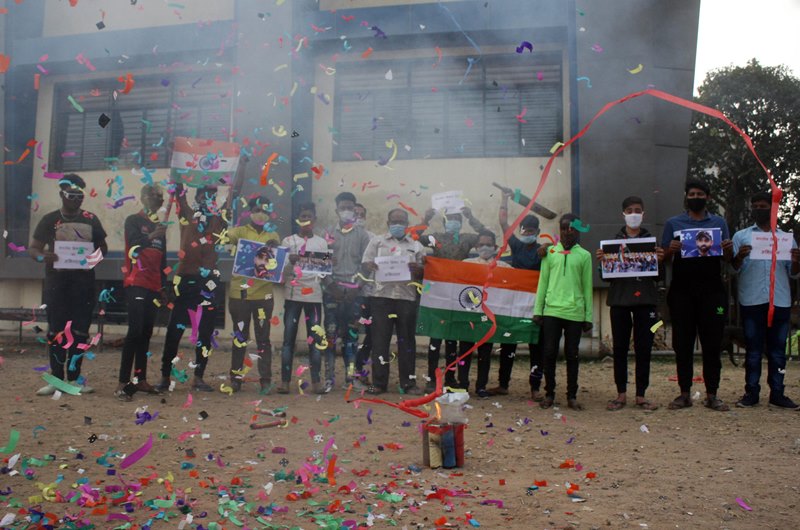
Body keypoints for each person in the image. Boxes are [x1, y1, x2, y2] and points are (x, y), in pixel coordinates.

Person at [30, 174, 108, 396]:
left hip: (83, 284)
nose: (76, 199)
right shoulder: (49, 220)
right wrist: (43, 257)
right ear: (62, 194)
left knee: (80, 332)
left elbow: (103, 248)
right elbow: (33, 248)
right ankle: (56, 379)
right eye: (71, 195)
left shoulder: (91, 219)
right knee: (56, 332)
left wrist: (89, 261)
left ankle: (74, 379)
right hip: (57, 284)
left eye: (79, 195)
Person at [157, 173, 234, 393]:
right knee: (175, 330)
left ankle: (198, 377)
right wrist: (177, 160)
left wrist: (242, 166)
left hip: (209, 282)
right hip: (186, 280)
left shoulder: (221, 219)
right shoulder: (187, 216)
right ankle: (164, 376)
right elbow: (179, 192)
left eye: (212, 195)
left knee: (205, 332)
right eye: (204, 194)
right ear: (197, 196)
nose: (208, 198)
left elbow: (233, 193)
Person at [662, 178, 733, 411]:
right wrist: (669, 251)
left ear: (707, 197)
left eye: (699, 194)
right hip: (682, 291)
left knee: (712, 343)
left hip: (713, 292)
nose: (695, 198)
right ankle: (684, 394)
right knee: (682, 344)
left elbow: (727, 259)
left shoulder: (719, 222)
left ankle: (712, 394)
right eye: (691, 194)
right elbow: (663, 258)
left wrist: (728, 250)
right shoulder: (673, 223)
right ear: (686, 197)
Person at [732, 191, 800, 409]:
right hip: (752, 300)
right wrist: (739, 256)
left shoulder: (785, 238)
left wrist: (797, 260)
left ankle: (777, 393)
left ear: (773, 209)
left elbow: (795, 273)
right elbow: (732, 270)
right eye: (756, 206)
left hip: (779, 301)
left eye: (764, 206)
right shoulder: (741, 237)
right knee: (752, 350)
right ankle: (751, 392)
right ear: (751, 209)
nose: (759, 209)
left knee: (778, 351)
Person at [597, 196, 663, 411]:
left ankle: (641, 395)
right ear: (623, 214)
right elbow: (606, 278)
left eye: (637, 210)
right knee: (620, 348)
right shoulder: (613, 242)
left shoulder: (652, 242)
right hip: (620, 300)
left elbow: (658, 277)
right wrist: (603, 263)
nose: (634, 214)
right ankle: (621, 394)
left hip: (646, 300)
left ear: (643, 214)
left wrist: (661, 261)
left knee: (644, 348)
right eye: (629, 210)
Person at [419, 205, 487, 391]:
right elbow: (414, 237)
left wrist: (471, 216)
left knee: (452, 338)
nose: (453, 222)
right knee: (436, 337)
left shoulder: (466, 238)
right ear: (444, 221)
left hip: (458, 293)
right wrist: (426, 219)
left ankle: (450, 377)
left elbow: (486, 234)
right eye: (450, 219)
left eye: (457, 218)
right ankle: (432, 378)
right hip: (438, 292)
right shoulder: (436, 238)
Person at [362, 208, 426, 395]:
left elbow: (424, 271)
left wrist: (418, 269)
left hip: (406, 298)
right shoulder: (377, 241)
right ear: (388, 223)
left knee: (407, 342)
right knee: (380, 341)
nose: (398, 225)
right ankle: (379, 383)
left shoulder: (416, 246)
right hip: (381, 298)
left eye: (402, 221)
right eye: (394, 221)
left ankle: (408, 383)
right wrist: (371, 265)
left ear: (407, 224)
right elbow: (366, 263)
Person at [533, 213, 593, 410]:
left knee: (572, 354)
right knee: (549, 353)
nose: (568, 231)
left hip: (574, 313)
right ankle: (549, 394)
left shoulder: (584, 255)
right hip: (551, 311)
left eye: (573, 228)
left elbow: (587, 288)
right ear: (559, 230)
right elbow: (542, 283)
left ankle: (572, 396)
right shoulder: (549, 253)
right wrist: (538, 310)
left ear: (578, 230)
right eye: (565, 227)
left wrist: (588, 316)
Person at [489, 189, 545, 399]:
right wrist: (503, 199)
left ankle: (535, 388)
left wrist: (548, 247)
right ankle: (503, 384)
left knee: (536, 347)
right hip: (514, 304)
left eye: (531, 230)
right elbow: (503, 223)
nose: (527, 233)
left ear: (538, 231)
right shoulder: (517, 246)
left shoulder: (544, 251)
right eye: (525, 229)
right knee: (507, 345)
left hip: (535, 306)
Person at [116, 184, 167, 401]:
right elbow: (133, 247)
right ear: (144, 197)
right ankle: (122, 382)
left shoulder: (160, 227)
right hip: (136, 282)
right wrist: (153, 234)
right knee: (134, 332)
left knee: (146, 333)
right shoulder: (133, 221)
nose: (160, 200)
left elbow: (162, 260)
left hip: (154, 285)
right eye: (156, 196)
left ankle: (141, 378)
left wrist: (164, 285)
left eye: (162, 197)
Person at [226, 196, 280, 393]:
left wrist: (275, 248)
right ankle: (236, 378)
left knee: (263, 338)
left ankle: (265, 379)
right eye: (257, 209)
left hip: (264, 296)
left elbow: (276, 267)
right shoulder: (239, 232)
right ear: (249, 211)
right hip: (239, 294)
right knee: (240, 337)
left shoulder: (273, 234)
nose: (261, 213)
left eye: (265, 210)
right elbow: (223, 237)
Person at [278, 202, 330, 394]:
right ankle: (285, 382)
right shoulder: (287, 242)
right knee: (288, 340)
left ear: (314, 220)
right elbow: (279, 270)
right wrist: (289, 263)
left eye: (309, 216)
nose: (306, 220)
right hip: (292, 296)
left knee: (315, 340)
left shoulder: (322, 243)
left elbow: (325, 271)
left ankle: (316, 382)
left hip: (315, 297)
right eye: (302, 217)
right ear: (298, 220)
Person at [323, 192, 372, 391]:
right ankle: (329, 379)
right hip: (332, 292)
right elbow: (320, 263)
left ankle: (350, 379)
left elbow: (366, 264)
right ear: (336, 210)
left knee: (352, 338)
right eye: (343, 207)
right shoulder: (327, 234)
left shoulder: (362, 235)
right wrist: (330, 285)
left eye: (350, 208)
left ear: (355, 209)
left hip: (354, 294)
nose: (347, 211)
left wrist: (357, 287)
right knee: (330, 336)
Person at [457, 230, 511, 397]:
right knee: (464, 351)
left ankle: (481, 386)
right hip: (469, 314)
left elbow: (514, 287)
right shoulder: (466, 263)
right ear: (476, 246)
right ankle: (462, 385)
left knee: (485, 353)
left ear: (495, 247)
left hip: (489, 316)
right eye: (481, 244)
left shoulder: (505, 267)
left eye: (489, 244)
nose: (485, 247)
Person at [353, 203, 375, 378]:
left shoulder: (374, 239)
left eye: (362, 215)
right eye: (355, 214)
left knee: (371, 333)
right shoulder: (339, 237)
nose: (358, 218)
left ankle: (359, 368)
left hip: (368, 294)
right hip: (347, 294)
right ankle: (348, 370)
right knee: (349, 333)